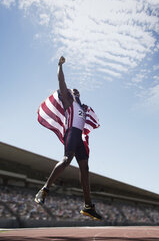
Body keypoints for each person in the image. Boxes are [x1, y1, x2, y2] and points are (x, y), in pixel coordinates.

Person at [35, 56, 102, 220]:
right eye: (74, 90)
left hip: (79, 137)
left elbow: (86, 120)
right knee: (66, 160)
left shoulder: (81, 107)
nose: (76, 91)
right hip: (71, 132)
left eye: (78, 91)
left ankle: (88, 206)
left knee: (85, 169)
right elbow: (61, 80)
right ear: (69, 94)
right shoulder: (68, 102)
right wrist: (59, 66)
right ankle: (44, 189)